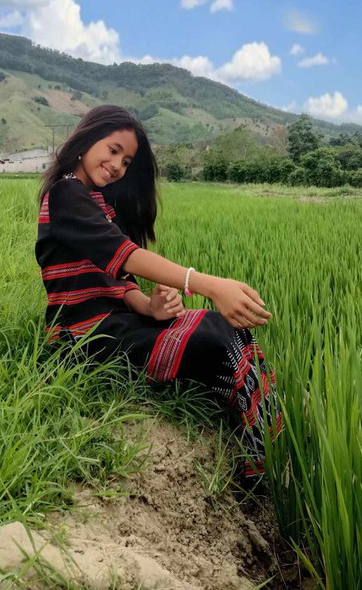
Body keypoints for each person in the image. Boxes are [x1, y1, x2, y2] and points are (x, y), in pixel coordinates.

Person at [35, 105, 282, 481]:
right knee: (215, 341)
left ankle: (269, 441)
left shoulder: (100, 203)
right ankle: (263, 460)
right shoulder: (65, 194)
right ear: (86, 141)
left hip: (116, 323)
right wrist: (210, 285)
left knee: (225, 330)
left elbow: (120, 284)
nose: (118, 165)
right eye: (113, 149)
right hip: (81, 338)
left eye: (127, 160)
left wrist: (151, 307)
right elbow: (127, 257)